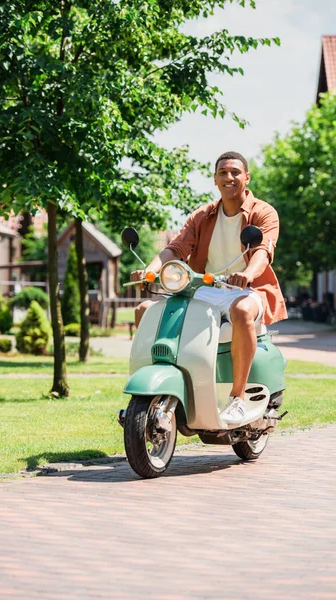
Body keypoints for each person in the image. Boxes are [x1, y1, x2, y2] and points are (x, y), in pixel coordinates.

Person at [130, 151, 287, 425]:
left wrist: (247, 274)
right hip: (203, 287)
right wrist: (151, 271)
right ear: (215, 180)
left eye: (235, 172)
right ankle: (154, 393)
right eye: (223, 173)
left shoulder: (263, 212)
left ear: (246, 177)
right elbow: (176, 248)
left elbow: (262, 251)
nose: (229, 177)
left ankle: (237, 399)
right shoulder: (202, 215)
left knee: (241, 311)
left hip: (246, 289)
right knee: (146, 310)